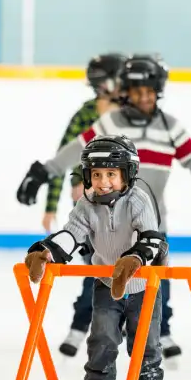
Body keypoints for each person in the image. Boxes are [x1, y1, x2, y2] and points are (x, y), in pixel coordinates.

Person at [16, 54, 191, 364]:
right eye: (136, 91)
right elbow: (77, 149)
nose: (143, 98)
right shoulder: (111, 124)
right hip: (106, 222)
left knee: (158, 278)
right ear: (125, 91)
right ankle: (94, 327)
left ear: (158, 92)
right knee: (99, 273)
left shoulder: (170, 127)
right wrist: (44, 171)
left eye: (149, 91)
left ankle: (161, 329)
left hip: (152, 223)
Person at [23, 135, 171, 380]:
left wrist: (134, 260)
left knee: (146, 344)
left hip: (144, 287)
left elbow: (152, 238)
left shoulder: (138, 199)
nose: (103, 182)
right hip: (106, 282)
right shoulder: (86, 204)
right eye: (97, 174)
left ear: (127, 174)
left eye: (111, 174)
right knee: (101, 340)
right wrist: (47, 252)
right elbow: (72, 233)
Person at [42, 53, 127, 358]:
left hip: (128, 208)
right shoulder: (87, 114)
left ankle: (139, 331)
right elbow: (64, 155)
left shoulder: (131, 114)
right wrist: (51, 205)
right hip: (91, 209)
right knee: (97, 270)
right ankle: (80, 328)